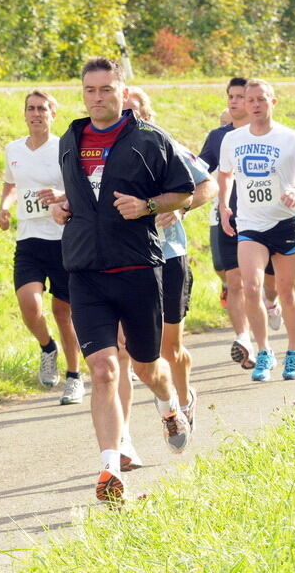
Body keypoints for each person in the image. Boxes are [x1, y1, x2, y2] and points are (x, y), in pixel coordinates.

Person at [51, 57, 194, 504]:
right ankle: (110, 467)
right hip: (85, 273)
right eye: (90, 90)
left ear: (123, 91)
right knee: (104, 370)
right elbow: (79, 195)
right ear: (83, 93)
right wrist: (62, 208)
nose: (98, 97)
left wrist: (148, 205)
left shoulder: (150, 140)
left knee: (147, 368)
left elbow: (185, 191)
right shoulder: (70, 141)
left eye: (106, 89)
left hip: (137, 271)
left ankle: (171, 407)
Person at [116, 86, 217, 471]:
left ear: (146, 114)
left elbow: (209, 184)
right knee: (125, 352)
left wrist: (181, 207)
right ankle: (123, 442)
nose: (126, 115)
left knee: (167, 349)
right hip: (123, 260)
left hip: (168, 255)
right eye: (121, 109)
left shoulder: (164, 145)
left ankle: (184, 396)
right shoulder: (99, 152)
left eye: (133, 110)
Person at [218, 79, 295, 381]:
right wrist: (224, 205)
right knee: (251, 287)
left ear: (272, 102)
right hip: (250, 224)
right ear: (245, 104)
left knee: (287, 294)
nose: (256, 105)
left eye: (262, 99)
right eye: (251, 100)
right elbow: (225, 174)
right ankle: (263, 351)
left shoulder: (290, 139)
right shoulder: (233, 140)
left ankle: (294, 351)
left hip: (284, 222)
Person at [0, 90, 83, 405]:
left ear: (52, 114)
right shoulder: (14, 149)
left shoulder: (64, 147)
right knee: (29, 305)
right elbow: (12, 183)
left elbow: (80, 186)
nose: (36, 114)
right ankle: (47, 348)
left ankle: (74, 377)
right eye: (31, 109)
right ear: (24, 114)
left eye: (42, 109)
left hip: (62, 239)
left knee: (64, 312)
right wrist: (4, 207)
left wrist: (59, 194)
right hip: (29, 239)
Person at [199, 78, 283, 371]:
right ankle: (245, 339)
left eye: (239, 97)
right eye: (231, 97)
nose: (234, 102)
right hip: (230, 219)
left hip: (266, 219)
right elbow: (199, 171)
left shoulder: (270, 135)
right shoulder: (218, 137)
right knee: (238, 283)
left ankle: (272, 303)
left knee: (268, 285)